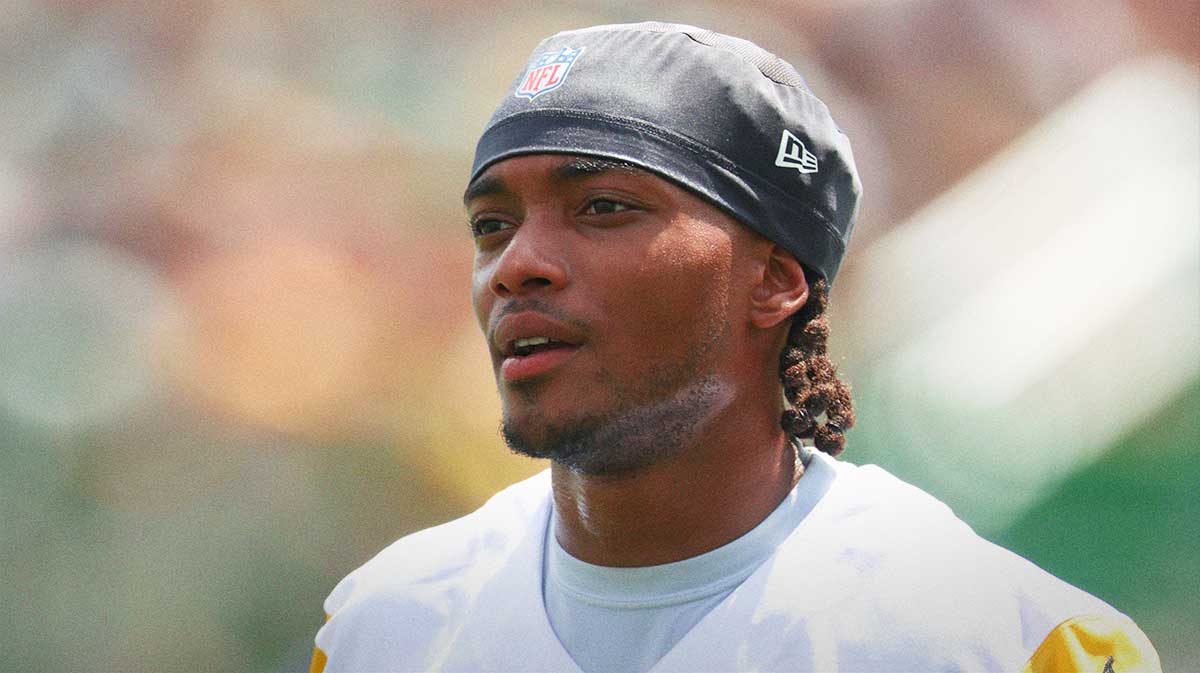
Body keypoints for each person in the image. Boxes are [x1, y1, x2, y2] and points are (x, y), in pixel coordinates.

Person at [310, 22, 1160, 673]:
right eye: (492, 225)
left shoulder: (996, 642)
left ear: (776, 280)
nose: (517, 266)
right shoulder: (381, 628)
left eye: (604, 207)